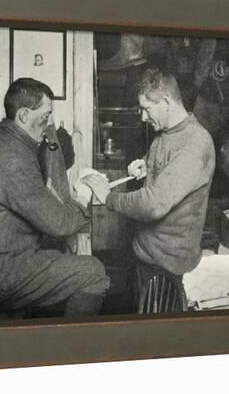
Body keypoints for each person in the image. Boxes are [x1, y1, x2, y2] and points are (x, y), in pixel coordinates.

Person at [0, 77, 110, 317]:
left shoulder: (10, 148)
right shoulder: (11, 161)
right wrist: (83, 195)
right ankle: (73, 349)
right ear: (23, 116)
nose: (49, 123)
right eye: (45, 116)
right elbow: (60, 224)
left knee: (64, 254)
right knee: (93, 273)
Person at [84, 67, 216, 277]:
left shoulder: (194, 144)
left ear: (165, 103)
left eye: (147, 109)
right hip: (146, 255)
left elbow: (154, 205)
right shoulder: (166, 133)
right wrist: (146, 164)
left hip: (167, 268)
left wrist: (108, 198)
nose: (143, 117)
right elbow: (167, 164)